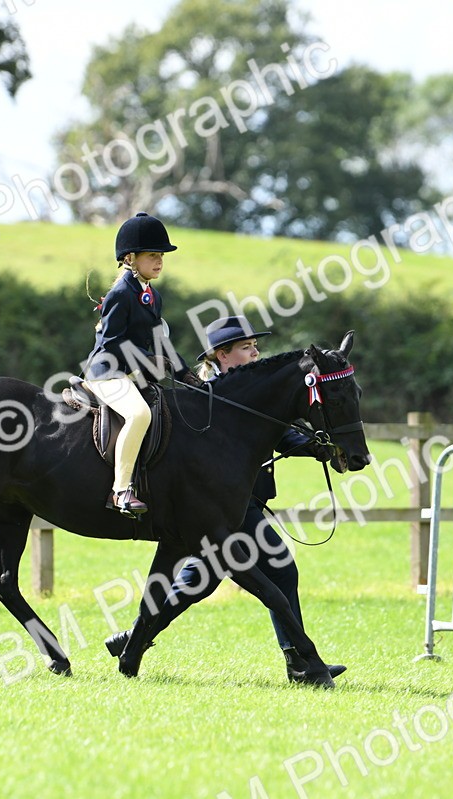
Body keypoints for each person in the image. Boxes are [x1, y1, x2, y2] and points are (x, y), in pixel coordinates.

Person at [105, 315, 347, 683]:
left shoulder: (253, 390)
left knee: (199, 581)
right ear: (222, 355)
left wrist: (312, 446)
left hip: (240, 503)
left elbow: (275, 433)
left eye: (255, 346)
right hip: (226, 505)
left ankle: (134, 637)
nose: (255, 353)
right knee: (279, 569)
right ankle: (300, 661)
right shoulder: (207, 395)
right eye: (247, 348)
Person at [82, 212, 198, 517]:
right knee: (139, 413)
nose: (159, 261)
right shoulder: (121, 293)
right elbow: (111, 343)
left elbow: (161, 338)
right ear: (131, 258)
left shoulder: (152, 295)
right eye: (152, 255)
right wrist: (145, 360)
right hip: (106, 373)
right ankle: (120, 490)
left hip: (130, 373)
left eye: (161, 255)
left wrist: (185, 372)